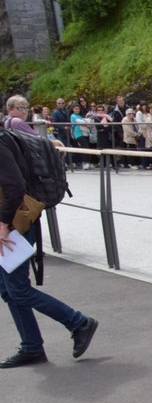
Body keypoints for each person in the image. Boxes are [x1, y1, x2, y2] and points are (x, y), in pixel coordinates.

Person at [0, 137, 98, 368]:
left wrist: (3, 223)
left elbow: (15, 186)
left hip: (14, 225)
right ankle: (31, 347)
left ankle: (78, 322)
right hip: (12, 224)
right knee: (8, 290)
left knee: (18, 290)